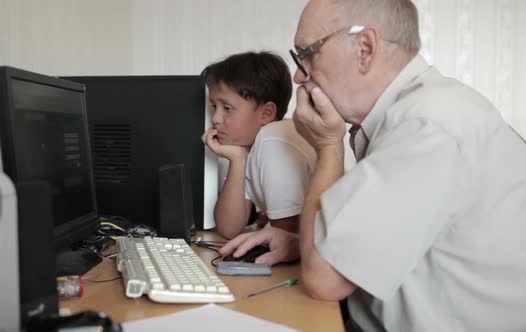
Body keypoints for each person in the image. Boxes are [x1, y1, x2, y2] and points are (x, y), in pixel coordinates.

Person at [223, 0, 526, 331]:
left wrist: (327, 147)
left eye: (306, 53)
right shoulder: (420, 113)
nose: (298, 74)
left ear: (365, 49)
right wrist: (301, 244)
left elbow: (325, 281)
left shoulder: (426, 125)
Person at [201, 51, 316, 263]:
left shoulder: (273, 140)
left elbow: (284, 238)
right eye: (213, 107)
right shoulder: (254, 146)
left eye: (227, 108)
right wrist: (238, 159)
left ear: (266, 113)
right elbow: (229, 227)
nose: (216, 119)